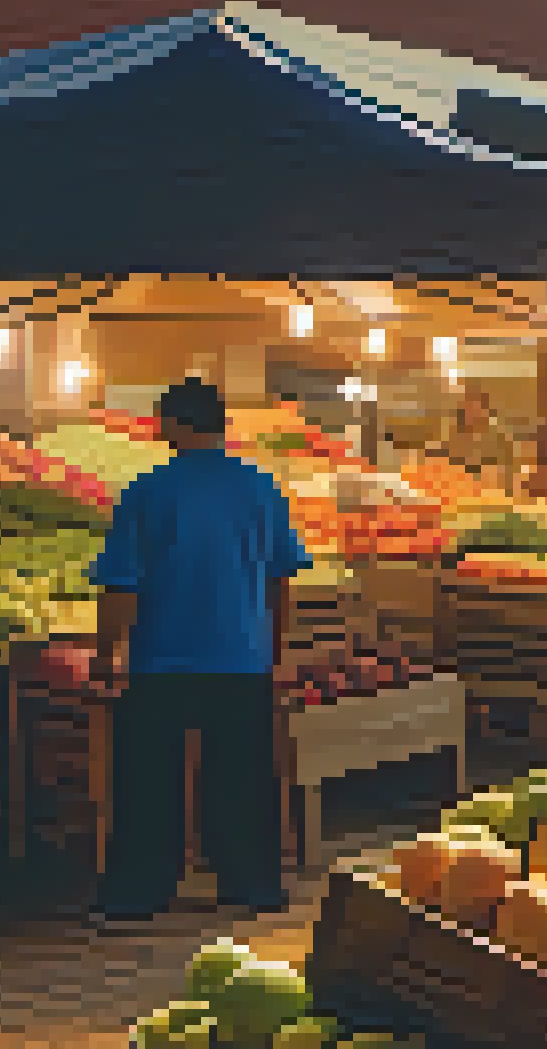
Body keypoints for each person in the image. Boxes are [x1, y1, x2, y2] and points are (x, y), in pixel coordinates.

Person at [87, 379, 308, 925]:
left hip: (162, 660)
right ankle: (253, 888)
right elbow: (282, 581)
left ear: (172, 424)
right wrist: (276, 651)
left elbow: (120, 585)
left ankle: (137, 897)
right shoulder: (262, 490)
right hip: (241, 660)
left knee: (148, 782)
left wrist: (106, 651)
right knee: (243, 780)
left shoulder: (146, 491)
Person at [434, 388, 518, 495]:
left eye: (477, 409)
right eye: (468, 409)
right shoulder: (454, 436)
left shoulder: (499, 439)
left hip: (488, 494)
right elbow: (445, 466)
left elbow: (507, 477)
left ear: (486, 411)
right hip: (456, 492)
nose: (471, 413)